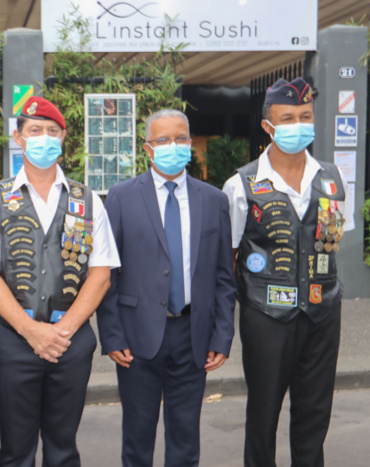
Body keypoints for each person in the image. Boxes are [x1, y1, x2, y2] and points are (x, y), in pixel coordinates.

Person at [0, 96, 119, 466]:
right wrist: (31, 330)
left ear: (63, 137)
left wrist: (61, 331)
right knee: (16, 450)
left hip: (71, 340)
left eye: (52, 131)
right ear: (19, 137)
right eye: (35, 131)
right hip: (15, 341)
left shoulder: (87, 201)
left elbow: (100, 275)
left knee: (64, 447)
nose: (44, 138)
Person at [97, 108, 237, 467]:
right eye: (163, 140)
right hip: (137, 336)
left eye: (180, 138)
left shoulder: (214, 200)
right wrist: (112, 336)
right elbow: (107, 275)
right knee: (138, 438)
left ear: (190, 144)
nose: (172, 146)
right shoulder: (121, 197)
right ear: (147, 149)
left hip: (194, 335)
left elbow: (224, 275)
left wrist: (222, 336)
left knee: (185, 440)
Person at [222, 77, 350, 467]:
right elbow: (229, 258)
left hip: (322, 312)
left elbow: (333, 240)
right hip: (266, 316)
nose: (299, 125)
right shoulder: (241, 184)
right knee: (262, 417)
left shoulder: (332, 178)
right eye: (288, 118)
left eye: (305, 117)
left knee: (314, 417)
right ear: (268, 126)